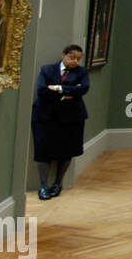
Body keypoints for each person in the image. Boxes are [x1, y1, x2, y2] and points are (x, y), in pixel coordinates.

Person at [30, 44, 90, 200]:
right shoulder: (47, 70)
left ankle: (58, 183)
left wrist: (57, 88)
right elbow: (41, 91)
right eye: (72, 57)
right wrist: (69, 92)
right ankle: (43, 186)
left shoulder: (82, 72)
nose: (75, 61)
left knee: (66, 150)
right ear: (64, 55)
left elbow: (84, 89)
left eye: (78, 59)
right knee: (43, 151)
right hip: (45, 117)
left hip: (71, 118)